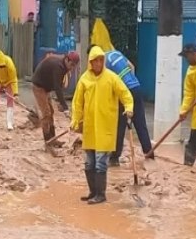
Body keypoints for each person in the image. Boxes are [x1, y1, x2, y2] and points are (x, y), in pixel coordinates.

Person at [71, 46, 134, 204]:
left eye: (100, 60)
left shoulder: (112, 78)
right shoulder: (84, 79)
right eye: (95, 61)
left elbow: (125, 94)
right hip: (90, 128)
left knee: (100, 162)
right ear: (90, 62)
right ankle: (93, 192)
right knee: (88, 162)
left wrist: (129, 108)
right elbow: (77, 103)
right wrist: (75, 120)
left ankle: (101, 194)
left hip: (106, 127)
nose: (98, 63)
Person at [95, 47, 154, 166]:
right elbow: (132, 67)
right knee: (140, 123)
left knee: (119, 125)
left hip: (124, 92)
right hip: (136, 87)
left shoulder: (103, 62)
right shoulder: (117, 53)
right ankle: (149, 154)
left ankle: (114, 158)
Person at [32, 51, 80, 150]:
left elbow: (59, 86)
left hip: (46, 87)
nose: (72, 68)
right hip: (39, 86)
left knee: (51, 112)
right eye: (71, 65)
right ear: (67, 59)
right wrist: (65, 107)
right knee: (46, 113)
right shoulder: (58, 67)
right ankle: (47, 142)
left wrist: (62, 104)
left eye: (74, 66)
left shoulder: (63, 65)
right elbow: (57, 88)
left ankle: (53, 139)